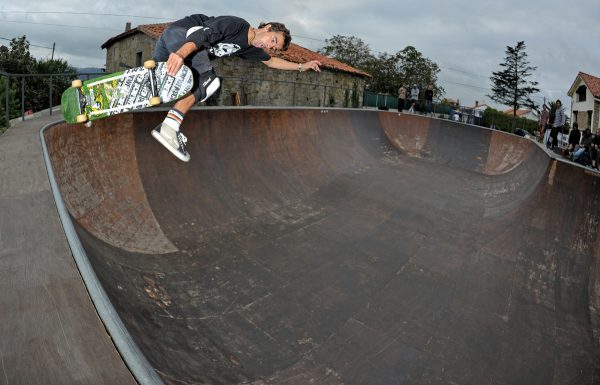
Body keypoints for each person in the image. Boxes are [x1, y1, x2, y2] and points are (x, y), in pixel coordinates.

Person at [151, 14, 322, 161]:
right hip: (182, 36)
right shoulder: (237, 25)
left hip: (167, 42)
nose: (269, 46)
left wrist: (302, 66)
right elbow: (201, 34)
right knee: (209, 82)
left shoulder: (249, 49)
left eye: (273, 47)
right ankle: (169, 127)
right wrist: (181, 54)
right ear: (267, 28)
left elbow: (271, 62)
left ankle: (138, 90)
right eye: (272, 40)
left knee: (158, 91)